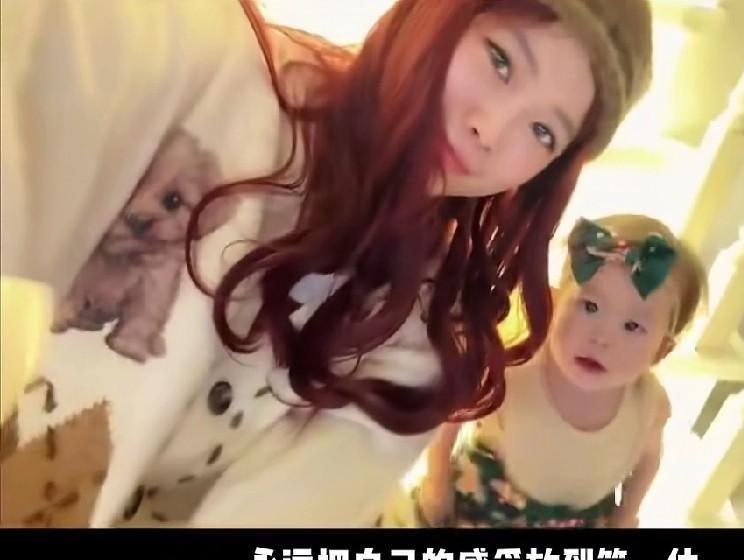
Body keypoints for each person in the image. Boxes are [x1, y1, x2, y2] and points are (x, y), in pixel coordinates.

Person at [0, 0, 653, 527]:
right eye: (500, 59)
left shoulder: (421, 338)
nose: (490, 128)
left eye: (542, 132)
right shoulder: (212, 74)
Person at [402, 214, 706, 528]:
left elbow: (647, 460)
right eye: (589, 306)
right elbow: (452, 414)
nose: (601, 338)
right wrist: (436, 479)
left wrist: (627, 513)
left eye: (632, 326)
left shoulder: (650, 404)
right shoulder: (515, 364)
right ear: (555, 300)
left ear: (661, 350)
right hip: (483, 506)